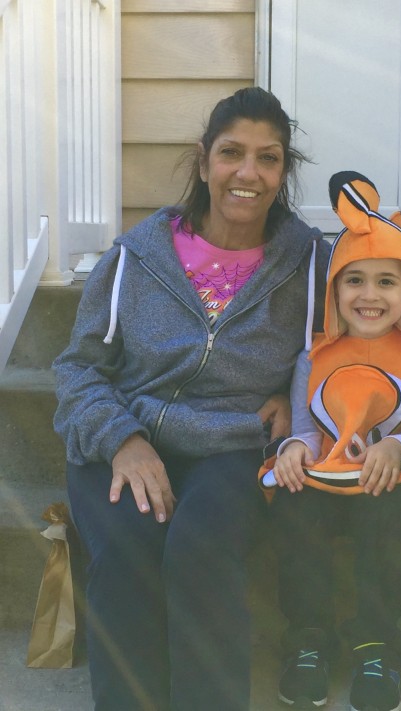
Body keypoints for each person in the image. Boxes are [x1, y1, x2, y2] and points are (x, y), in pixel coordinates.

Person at [52, 86, 330, 711]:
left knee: (200, 548)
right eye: (232, 153)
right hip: (120, 440)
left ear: (284, 172)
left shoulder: (309, 262)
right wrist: (122, 442)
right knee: (128, 550)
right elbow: (77, 369)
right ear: (203, 161)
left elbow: (346, 352)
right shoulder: (134, 257)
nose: (248, 174)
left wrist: (298, 399)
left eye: (269, 158)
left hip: (231, 446)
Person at [260, 171, 401, 711]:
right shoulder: (313, 358)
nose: (369, 295)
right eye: (354, 280)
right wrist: (295, 450)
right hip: (326, 477)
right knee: (295, 515)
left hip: (391, 482)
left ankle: (376, 647)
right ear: (334, 291)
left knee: (391, 524)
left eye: (386, 282)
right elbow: (302, 425)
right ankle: (308, 643)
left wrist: (400, 447)